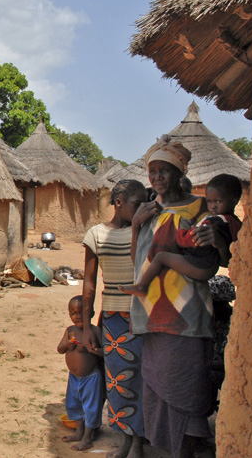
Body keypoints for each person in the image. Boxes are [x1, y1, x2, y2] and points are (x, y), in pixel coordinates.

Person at [128, 135, 217, 458]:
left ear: (179, 174)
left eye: (164, 171)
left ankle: (188, 449)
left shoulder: (198, 207)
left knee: (187, 383)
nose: (157, 178)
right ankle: (167, 449)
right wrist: (137, 225)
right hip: (151, 311)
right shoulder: (147, 209)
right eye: (152, 172)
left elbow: (211, 257)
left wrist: (212, 239)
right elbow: (137, 260)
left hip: (188, 312)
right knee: (156, 384)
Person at [81, 179, 148, 458]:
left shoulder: (145, 230)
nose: (142, 208)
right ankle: (126, 440)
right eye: (137, 203)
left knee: (144, 379)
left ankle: (139, 443)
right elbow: (88, 283)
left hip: (145, 316)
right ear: (118, 203)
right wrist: (86, 325)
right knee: (118, 381)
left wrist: (138, 227)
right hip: (114, 319)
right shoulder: (96, 234)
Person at [120, 173, 242, 298]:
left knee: (161, 256)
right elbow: (138, 260)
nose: (213, 206)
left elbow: (226, 258)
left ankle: (142, 286)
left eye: (217, 201)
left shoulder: (213, 220)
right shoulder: (236, 223)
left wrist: (179, 237)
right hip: (198, 271)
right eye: (209, 201)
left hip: (199, 267)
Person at [57, 295, 104, 452]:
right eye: (73, 313)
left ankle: (87, 438)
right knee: (73, 404)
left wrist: (94, 350)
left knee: (90, 407)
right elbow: (59, 349)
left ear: (91, 313)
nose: (77, 316)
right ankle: (79, 431)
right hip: (74, 378)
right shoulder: (70, 331)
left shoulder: (96, 331)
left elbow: (107, 352)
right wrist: (68, 345)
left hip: (91, 378)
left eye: (81, 312)